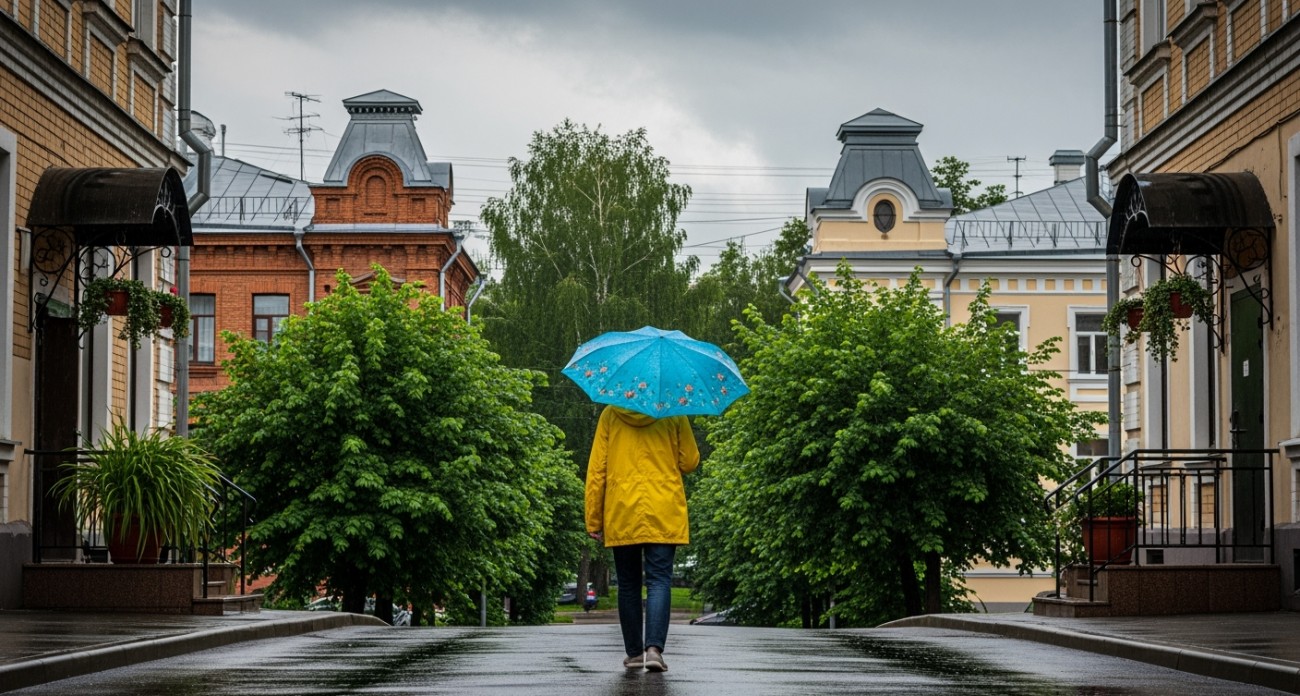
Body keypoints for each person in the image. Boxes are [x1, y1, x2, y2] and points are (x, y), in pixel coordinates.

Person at [585, 404, 699, 673]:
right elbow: (689, 462)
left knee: (628, 584)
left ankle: (635, 653)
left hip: (622, 508)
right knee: (659, 580)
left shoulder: (611, 414)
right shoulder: (674, 410)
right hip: (663, 507)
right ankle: (654, 651)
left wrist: (593, 517)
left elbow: (597, 470)